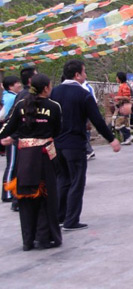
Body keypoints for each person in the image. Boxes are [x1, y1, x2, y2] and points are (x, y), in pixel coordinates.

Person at [50, 60, 121, 231]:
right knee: (77, 181)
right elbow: (97, 119)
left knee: (63, 179)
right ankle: (71, 220)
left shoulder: (53, 92)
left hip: (56, 144)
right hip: (74, 143)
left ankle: (60, 216)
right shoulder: (83, 94)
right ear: (77, 75)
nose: (86, 75)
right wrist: (111, 139)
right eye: (84, 72)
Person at [0, 74, 62, 250]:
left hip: (25, 157)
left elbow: (7, 127)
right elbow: (57, 130)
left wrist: (11, 137)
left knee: (26, 198)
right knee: (46, 197)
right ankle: (45, 238)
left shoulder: (21, 105)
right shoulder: (54, 106)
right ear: (45, 88)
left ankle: (28, 240)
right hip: (44, 156)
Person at [3, 67, 37, 212]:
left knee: (21, 169)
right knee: (17, 167)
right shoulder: (25, 96)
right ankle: (11, 195)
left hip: (21, 137)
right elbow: (18, 119)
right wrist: (12, 136)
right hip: (19, 137)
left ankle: (18, 197)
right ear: (30, 80)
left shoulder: (25, 94)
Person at [1, 76, 23, 203]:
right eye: (16, 83)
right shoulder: (11, 98)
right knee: (12, 164)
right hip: (11, 134)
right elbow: (3, 115)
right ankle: (7, 192)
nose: (19, 85)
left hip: (10, 133)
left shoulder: (8, 96)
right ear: (10, 86)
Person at [81, 80, 98, 161]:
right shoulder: (86, 86)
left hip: (85, 112)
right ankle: (88, 150)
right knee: (84, 131)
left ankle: (88, 151)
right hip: (83, 112)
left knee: (85, 131)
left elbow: (92, 101)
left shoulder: (86, 87)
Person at [114, 72, 132, 145]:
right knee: (125, 123)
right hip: (121, 106)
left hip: (124, 107)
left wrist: (118, 97)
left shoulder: (124, 86)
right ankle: (127, 139)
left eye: (117, 77)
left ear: (120, 78)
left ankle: (128, 136)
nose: (116, 79)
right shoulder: (121, 86)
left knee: (118, 124)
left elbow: (127, 97)